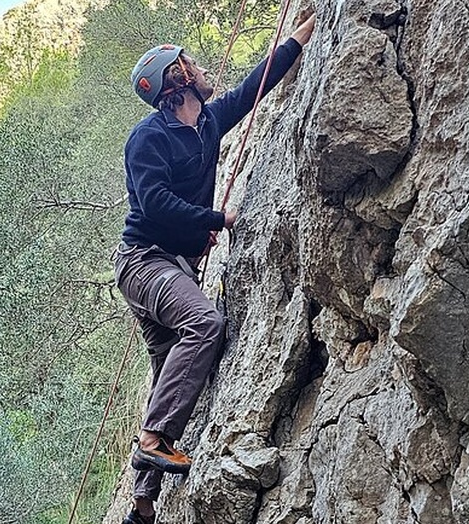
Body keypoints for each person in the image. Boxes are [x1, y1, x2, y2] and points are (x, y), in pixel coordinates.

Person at [114, 12, 316, 524]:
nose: (202, 69)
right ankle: (153, 444)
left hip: (172, 266)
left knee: (169, 375)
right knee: (204, 324)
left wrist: (299, 35)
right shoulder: (148, 138)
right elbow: (154, 203)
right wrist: (214, 217)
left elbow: (254, 87)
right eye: (191, 64)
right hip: (145, 264)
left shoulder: (206, 122)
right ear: (177, 80)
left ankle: (142, 503)